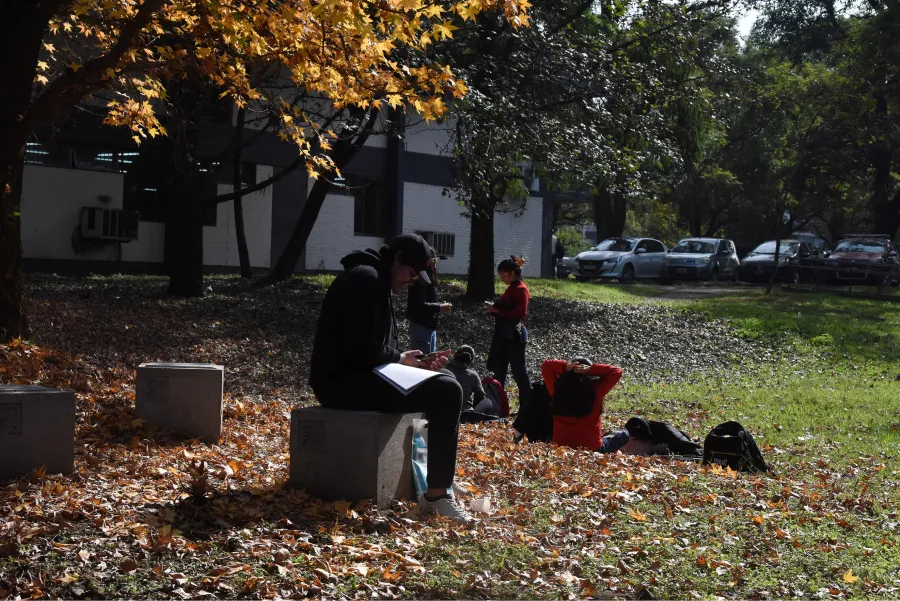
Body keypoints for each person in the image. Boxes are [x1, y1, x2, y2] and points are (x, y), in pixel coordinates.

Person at [309, 233, 474, 525]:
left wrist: (413, 360)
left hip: (359, 375)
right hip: (341, 384)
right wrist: (400, 359)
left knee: (445, 377)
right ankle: (436, 496)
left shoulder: (374, 280)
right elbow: (358, 349)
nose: (412, 282)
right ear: (397, 259)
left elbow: (369, 345)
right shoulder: (365, 280)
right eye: (411, 274)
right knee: (447, 390)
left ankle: (439, 477)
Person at [542, 357, 628, 453]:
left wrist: (565, 366)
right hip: (592, 448)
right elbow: (616, 371)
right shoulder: (595, 390)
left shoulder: (556, 390)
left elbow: (546, 365)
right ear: (589, 376)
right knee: (624, 433)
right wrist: (590, 370)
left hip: (560, 447)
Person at [487, 256, 531, 436]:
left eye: (504, 275)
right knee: (500, 370)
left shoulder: (520, 289)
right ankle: (499, 406)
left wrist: (498, 310)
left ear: (512, 273)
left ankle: (526, 408)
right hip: (504, 335)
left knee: (520, 372)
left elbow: (520, 312)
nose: (502, 279)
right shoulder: (511, 288)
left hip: (514, 335)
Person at [407, 249, 452, 354]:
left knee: (430, 360)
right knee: (422, 362)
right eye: (433, 261)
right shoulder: (420, 278)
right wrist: (440, 307)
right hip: (421, 325)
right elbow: (419, 305)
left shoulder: (427, 277)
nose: (435, 265)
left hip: (429, 326)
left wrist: (439, 305)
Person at [444, 345, 494, 414]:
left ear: (454, 355)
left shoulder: (443, 369)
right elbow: (481, 396)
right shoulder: (473, 375)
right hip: (465, 414)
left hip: (444, 412)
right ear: (471, 361)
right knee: (487, 402)